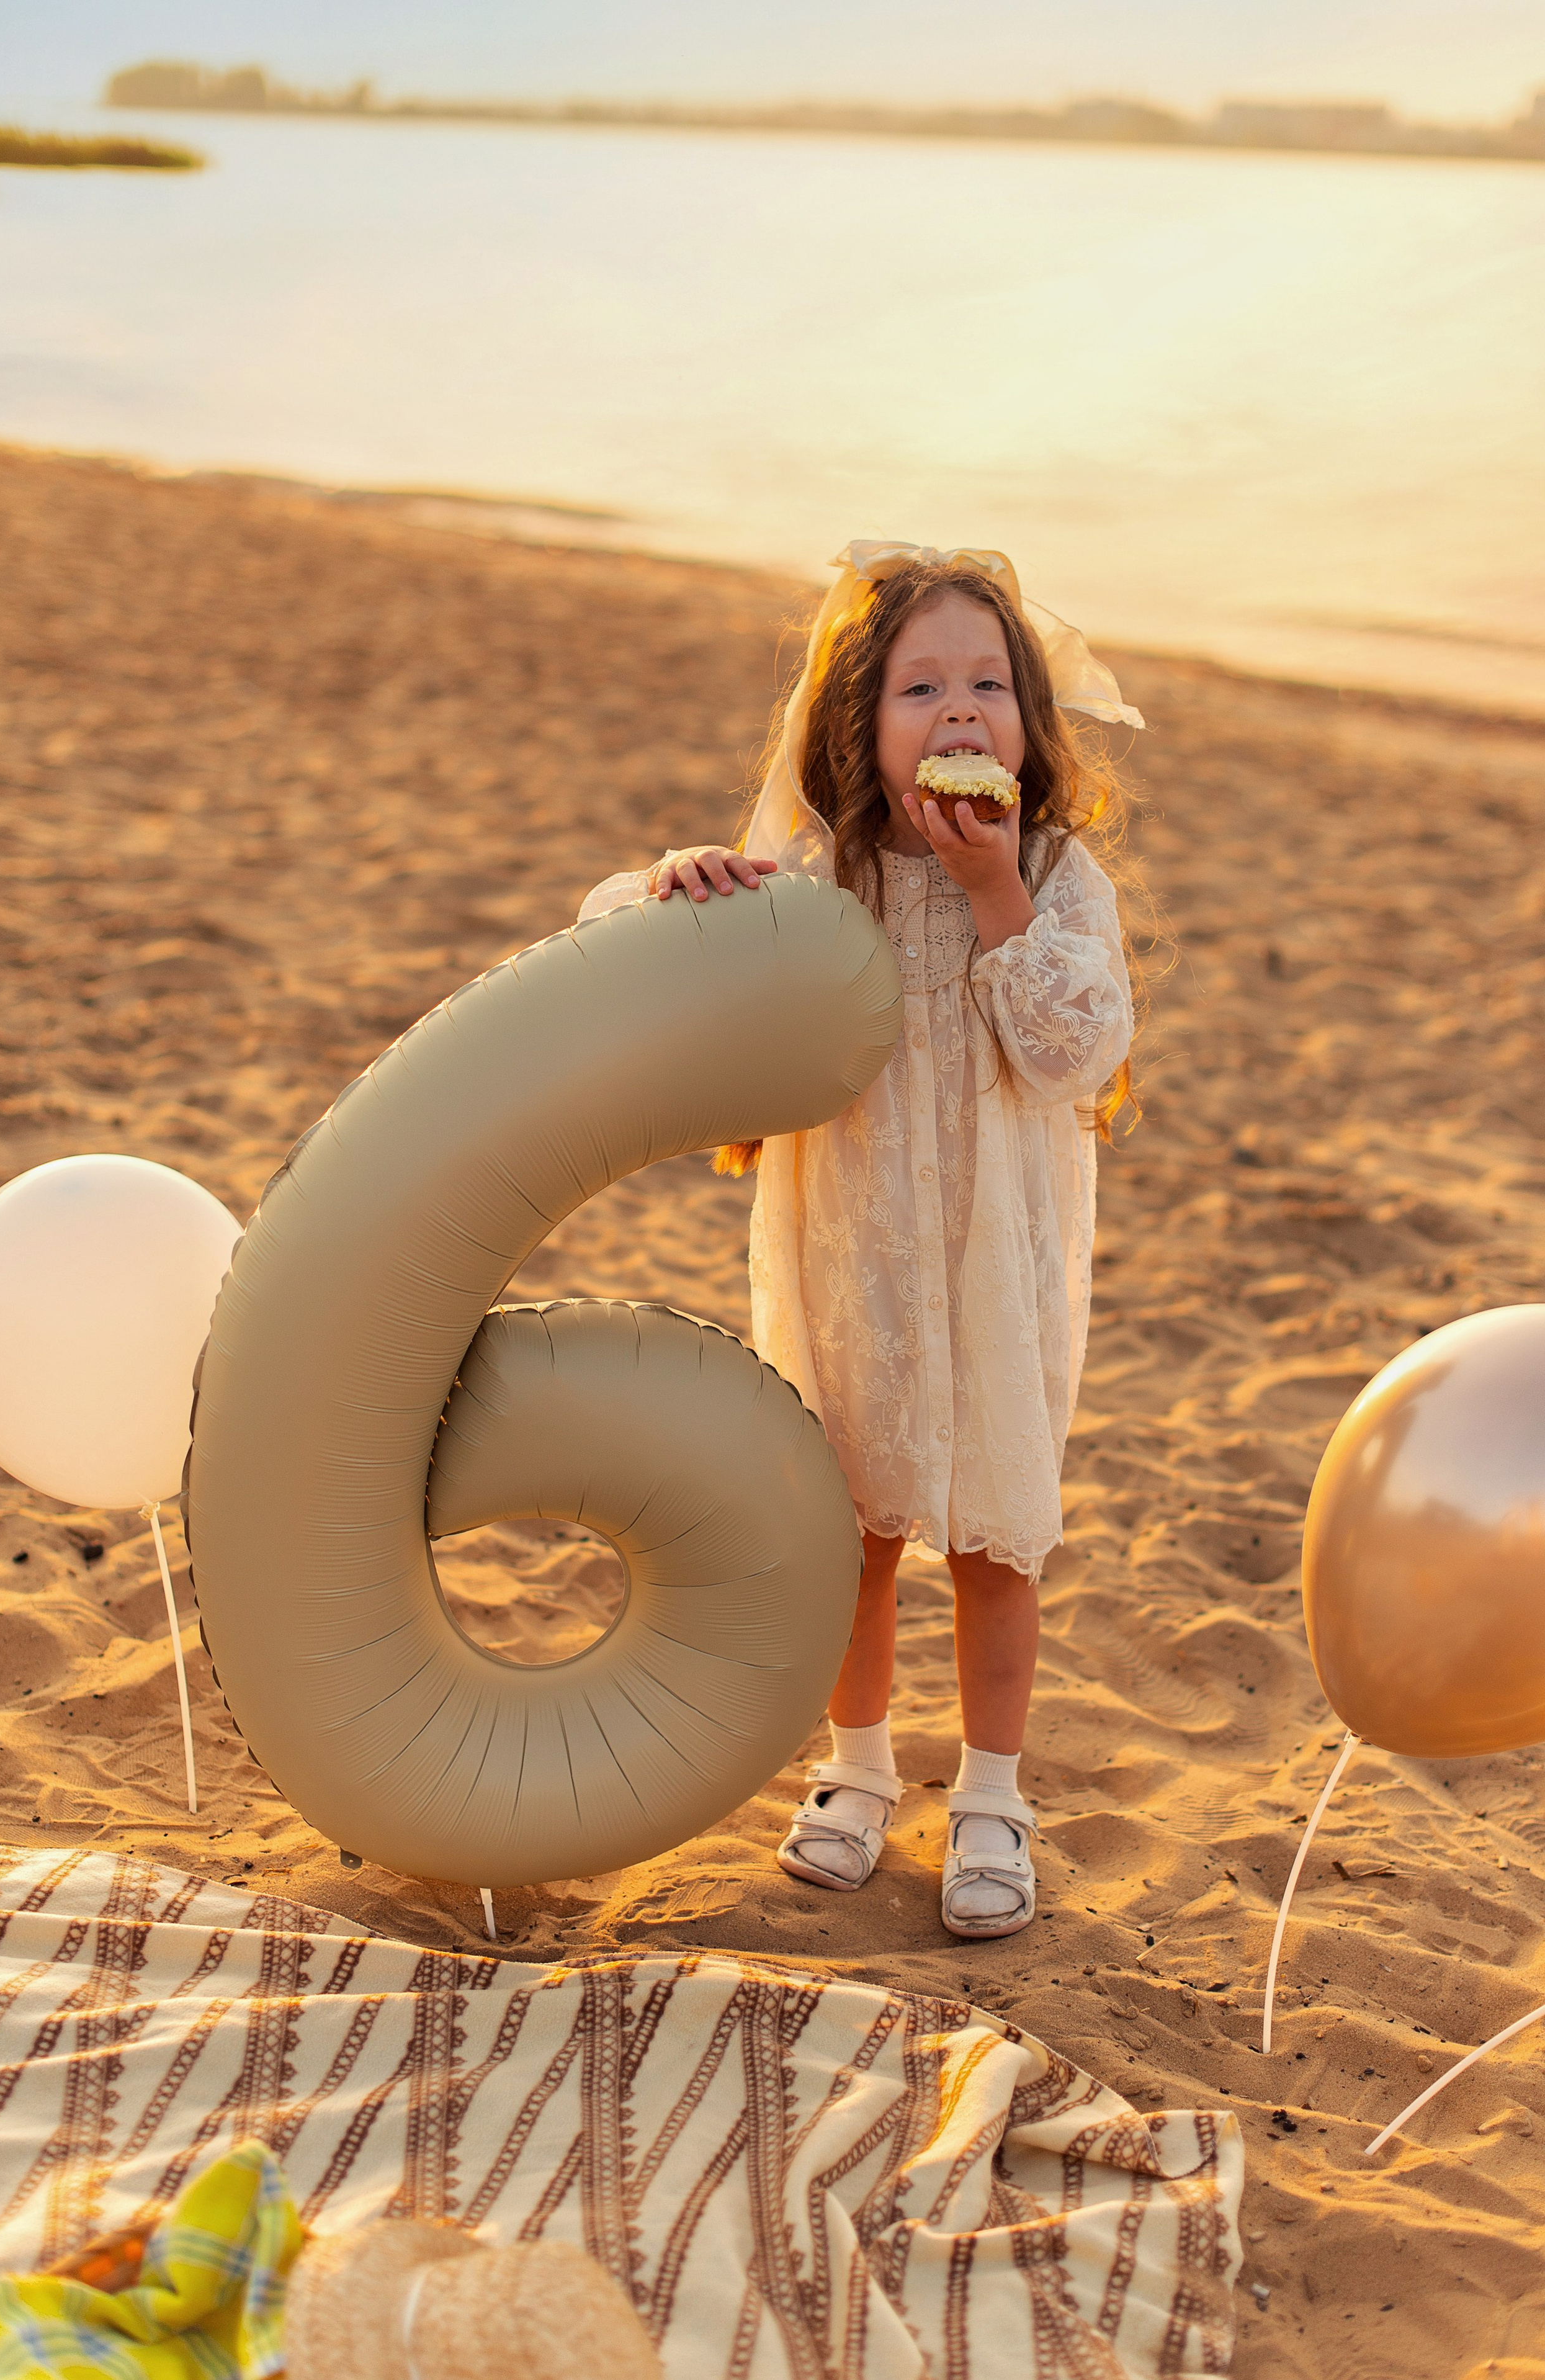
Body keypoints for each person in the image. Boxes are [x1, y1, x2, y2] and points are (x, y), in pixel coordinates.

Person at [579, 541, 1140, 1939]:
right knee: (855, 1530)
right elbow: (613, 955)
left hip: (997, 1266)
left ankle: (996, 1788)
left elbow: (1078, 1051)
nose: (959, 711)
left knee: (997, 1541)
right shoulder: (823, 873)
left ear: (1029, 726)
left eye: (988, 684)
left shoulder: (1060, 877)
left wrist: (1001, 890)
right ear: (855, 724)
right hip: (859, 1261)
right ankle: (856, 1764)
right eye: (919, 687)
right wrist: (683, 881)